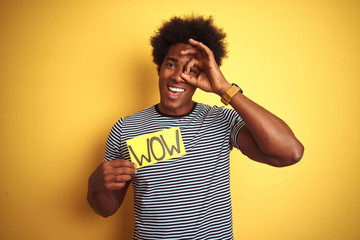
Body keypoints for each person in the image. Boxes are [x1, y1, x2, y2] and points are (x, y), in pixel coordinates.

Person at [87, 15, 304, 239]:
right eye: (171, 64)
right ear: (159, 68)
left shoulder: (221, 120)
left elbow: (290, 153)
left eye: (192, 70)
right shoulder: (126, 128)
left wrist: (224, 89)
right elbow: (106, 209)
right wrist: (95, 185)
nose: (179, 76)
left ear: (205, 74)